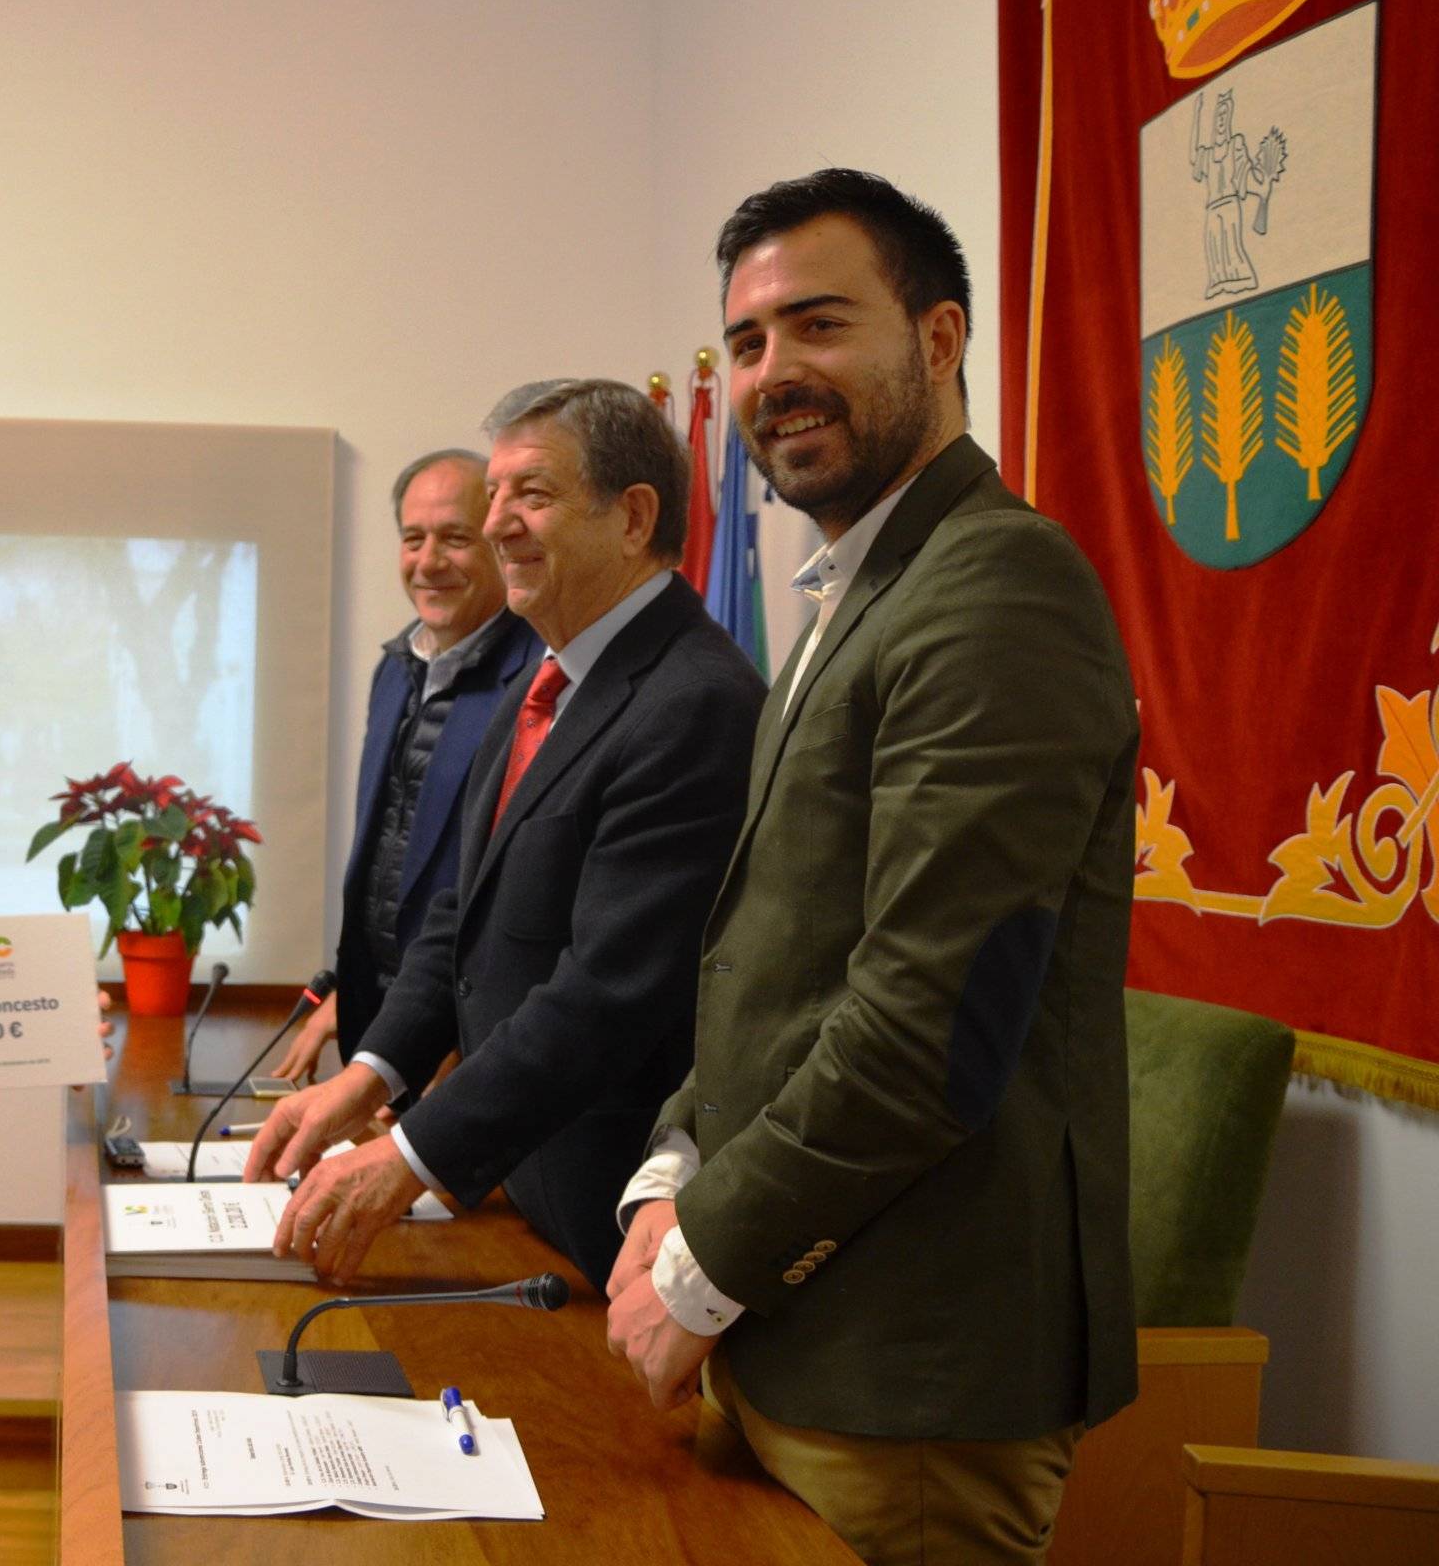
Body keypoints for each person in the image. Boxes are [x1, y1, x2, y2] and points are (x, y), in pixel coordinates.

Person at [605, 169, 1138, 1566]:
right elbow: (770, 962)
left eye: (820, 324)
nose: (775, 372)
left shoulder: (996, 586)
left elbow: (927, 1027)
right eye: (749, 343)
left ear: (943, 338)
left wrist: (702, 1263)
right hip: (795, 1334)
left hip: (907, 1381)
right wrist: (671, 1172)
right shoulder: (862, 590)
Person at [249, 379, 765, 1287]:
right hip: (526, 1192)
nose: (495, 525)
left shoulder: (694, 701)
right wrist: (370, 1074)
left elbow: (609, 992)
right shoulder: (549, 679)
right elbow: (464, 911)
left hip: (618, 1225)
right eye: (494, 495)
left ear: (634, 517)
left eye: (531, 494)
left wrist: (409, 1153)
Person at [270, 449, 536, 1086]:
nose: (429, 561)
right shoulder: (395, 669)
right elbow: (388, 853)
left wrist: (451, 1038)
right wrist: (353, 992)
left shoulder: (536, 684)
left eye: (455, 538)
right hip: (383, 1020)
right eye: (413, 539)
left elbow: (511, 895)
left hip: (466, 1044)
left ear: (499, 542)